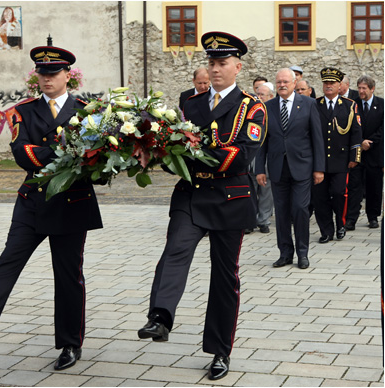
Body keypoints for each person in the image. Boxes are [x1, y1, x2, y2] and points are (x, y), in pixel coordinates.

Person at [0, 45, 103, 371]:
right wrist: (69, 153)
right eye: (41, 74)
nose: (46, 79)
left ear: (67, 75)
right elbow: (22, 154)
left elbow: (97, 160)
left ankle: (70, 344)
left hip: (72, 202)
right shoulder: (23, 111)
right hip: (33, 201)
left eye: (53, 73)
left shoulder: (89, 112)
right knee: (7, 262)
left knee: (68, 276)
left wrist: (69, 155)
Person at [138, 31, 266, 381]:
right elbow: (169, 150)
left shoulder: (251, 108)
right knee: (176, 249)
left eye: (222, 63)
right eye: (211, 63)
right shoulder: (190, 105)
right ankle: (160, 317)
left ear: (237, 66)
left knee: (224, 277)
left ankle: (220, 351)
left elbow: (237, 157)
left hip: (230, 200)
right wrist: (156, 152)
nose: (216, 69)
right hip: (192, 195)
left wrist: (188, 155)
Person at [255, 68, 325, 269]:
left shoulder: (309, 104)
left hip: (302, 167)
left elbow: (317, 138)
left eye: (286, 81)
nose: (282, 85)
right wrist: (260, 169)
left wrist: (319, 168)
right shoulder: (268, 107)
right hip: (278, 168)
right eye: (279, 82)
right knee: (282, 212)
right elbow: (262, 141)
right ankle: (285, 253)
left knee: (300, 209)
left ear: (295, 83)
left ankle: (303, 253)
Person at [312, 67, 362, 243]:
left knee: (339, 193)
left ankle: (340, 224)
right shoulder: (314, 104)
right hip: (319, 161)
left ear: (340, 85)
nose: (328, 86)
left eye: (332, 83)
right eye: (326, 83)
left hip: (341, 160)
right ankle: (326, 231)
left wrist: (354, 157)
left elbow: (356, 132)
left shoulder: (349, 105)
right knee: (320, 197)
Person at [345, 75, 384, 230]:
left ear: (371, 89)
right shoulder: (353, 106)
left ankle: (373, 217)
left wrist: (371, 141)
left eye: (364, 88)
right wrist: (361, 141)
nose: (360, 91)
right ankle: (351, 218)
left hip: (375, 153)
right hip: (358, 152)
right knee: (355, 186)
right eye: (359, 87)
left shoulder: (381, 104)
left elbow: (383, 127)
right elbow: (350, 126)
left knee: (374, 186)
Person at [251, 82, 275, 233]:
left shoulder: (274, 111)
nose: (259, 98)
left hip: (267, 155)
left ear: (271, 96)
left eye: (262, 95)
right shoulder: (251, 111)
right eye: (257, 94)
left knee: (266, 190)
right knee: (251, 188)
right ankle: (249, 219)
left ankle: (264, 220)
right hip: (252, 155)